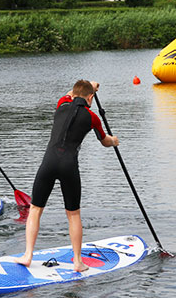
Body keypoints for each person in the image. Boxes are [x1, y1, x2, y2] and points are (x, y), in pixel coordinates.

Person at [14, 80, 119, 272]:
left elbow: (72, 93)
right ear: (90, 98)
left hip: (48, 163)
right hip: (69, 166)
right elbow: (105, 141)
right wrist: (114, 141)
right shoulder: (92, 117)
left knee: (35, 209)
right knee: (73, 214)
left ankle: (28, 255)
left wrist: (90, 86)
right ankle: (78, 262)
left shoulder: (61, 104)